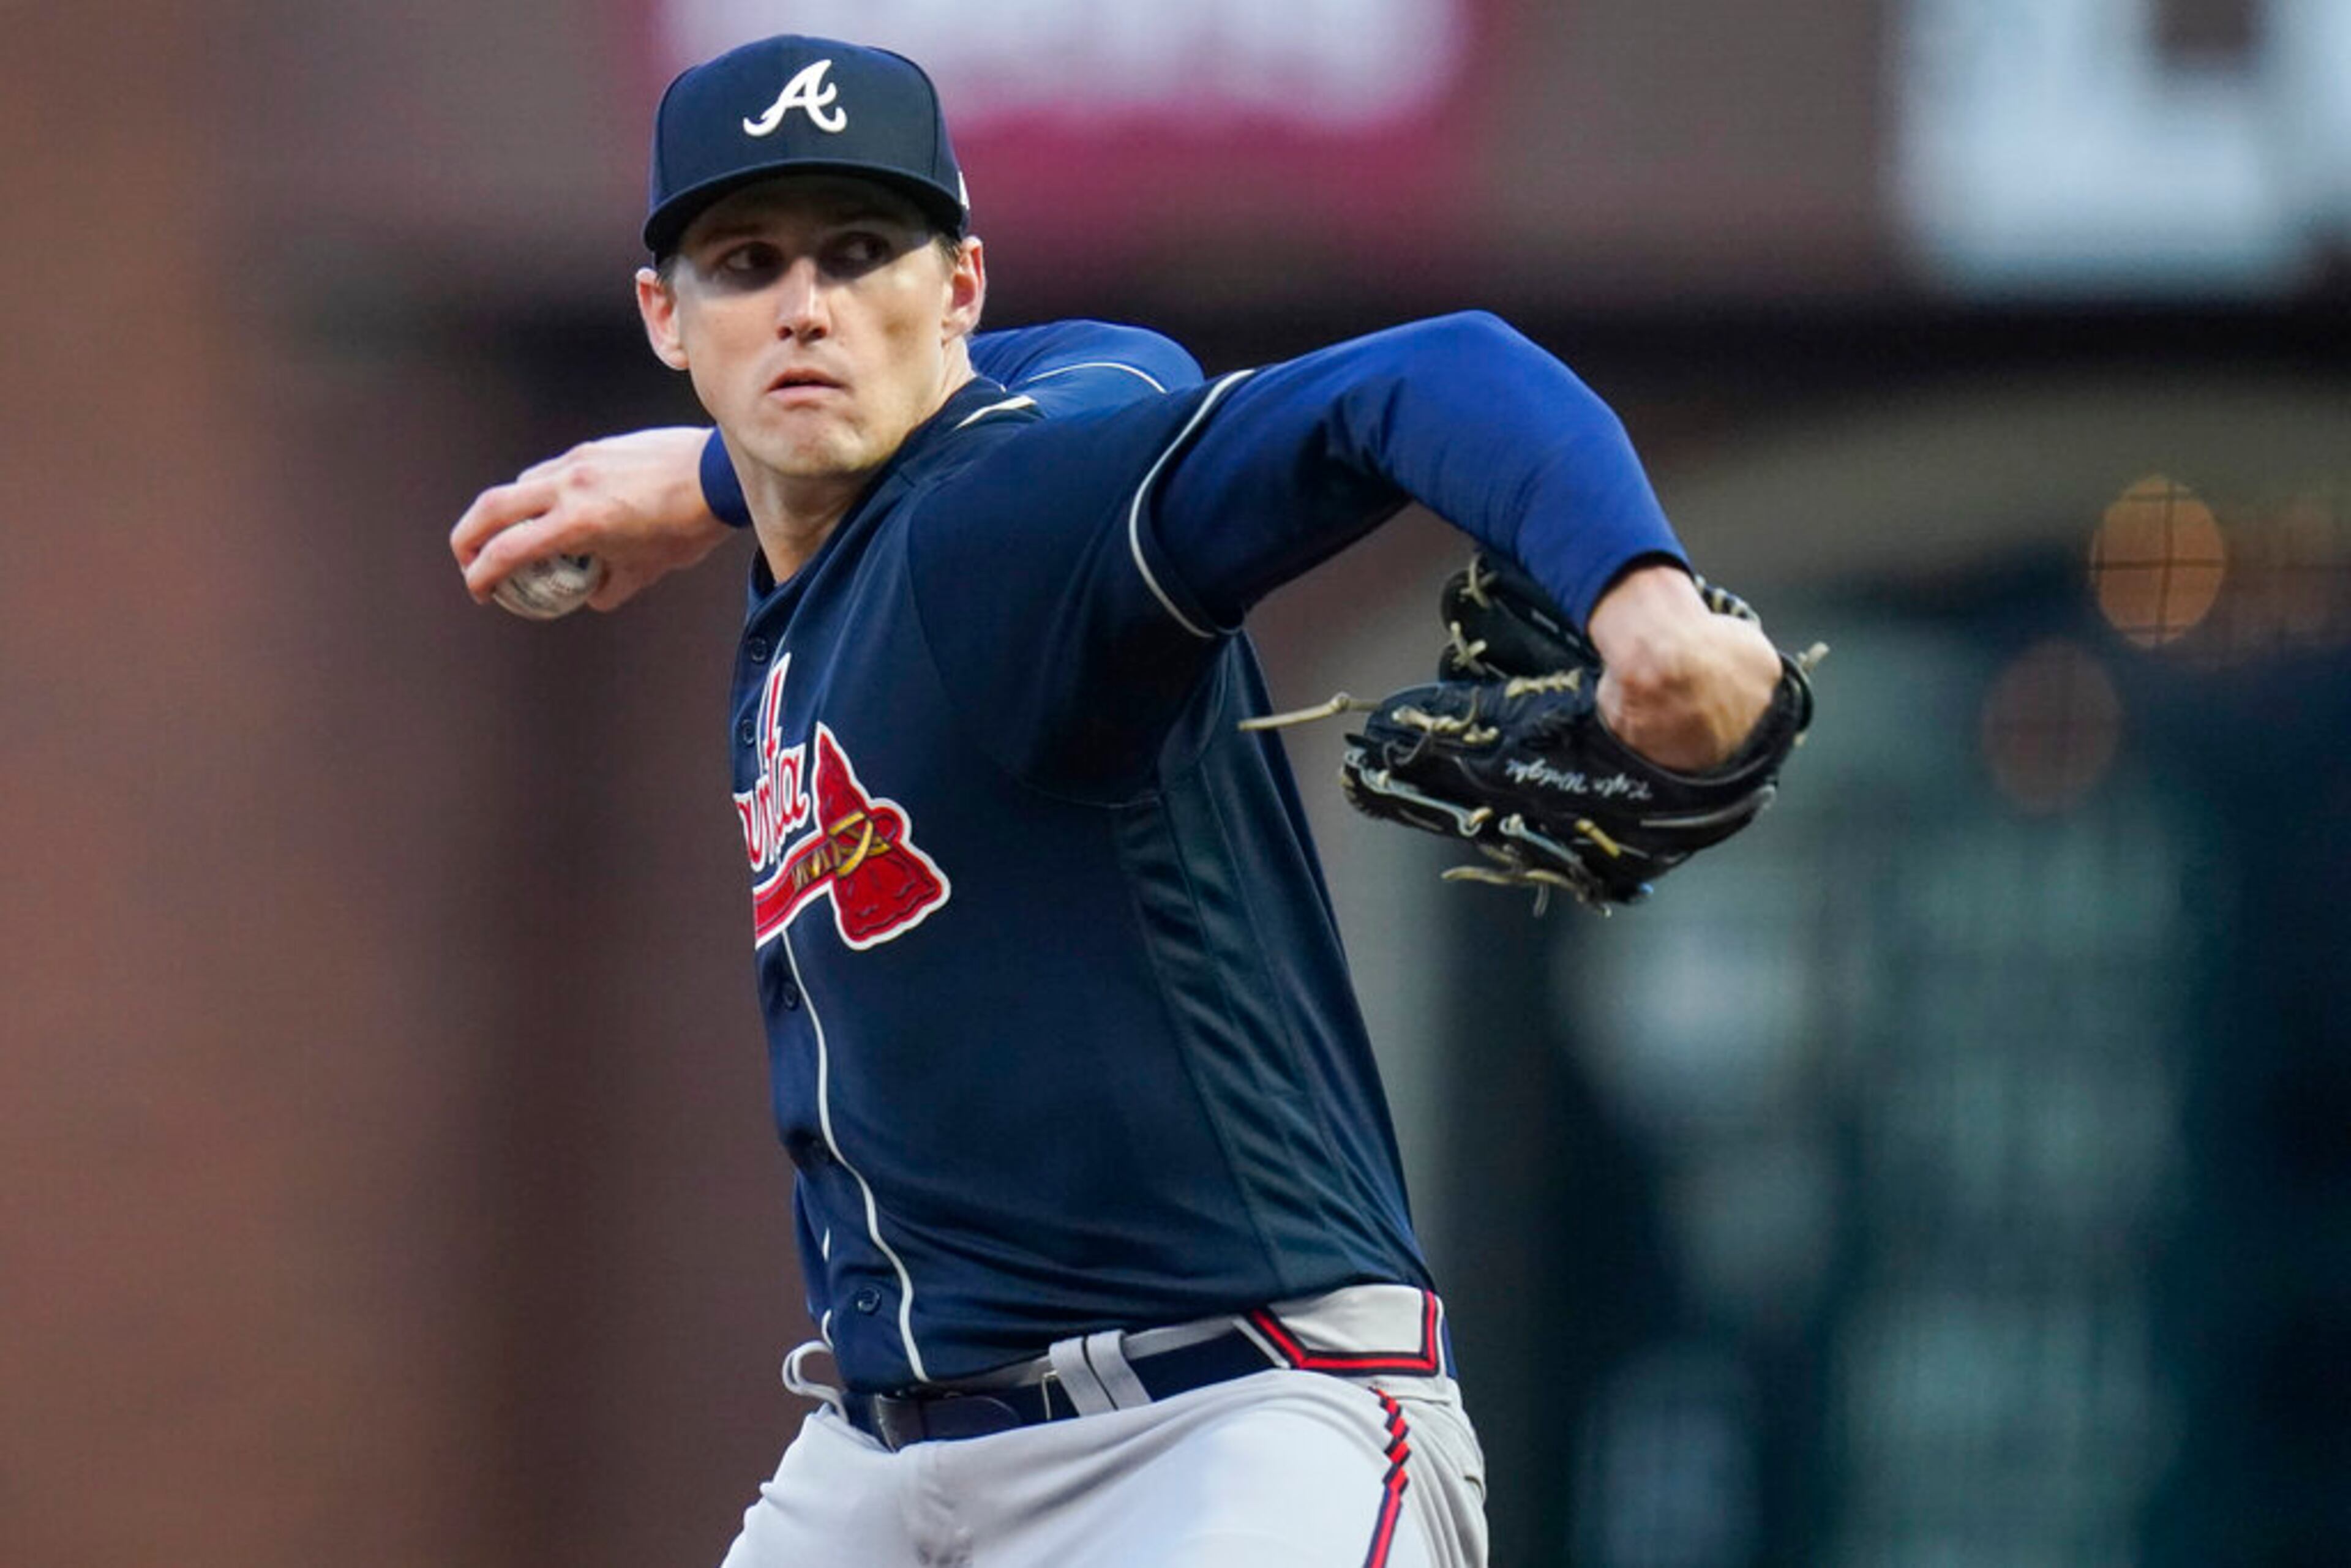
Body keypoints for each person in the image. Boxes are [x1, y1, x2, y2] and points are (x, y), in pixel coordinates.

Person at [451, 33, 1780, 1568]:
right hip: (881, 1459)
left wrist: (1647, 608)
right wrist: (711, 480)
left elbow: (1441, 371)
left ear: (959, 288)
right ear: (664, 318)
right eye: (749, 264)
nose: (808, 305)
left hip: (1217, 1428)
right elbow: (1117, 357)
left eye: (863, 252)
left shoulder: (1012, 529)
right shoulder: (979, 459)